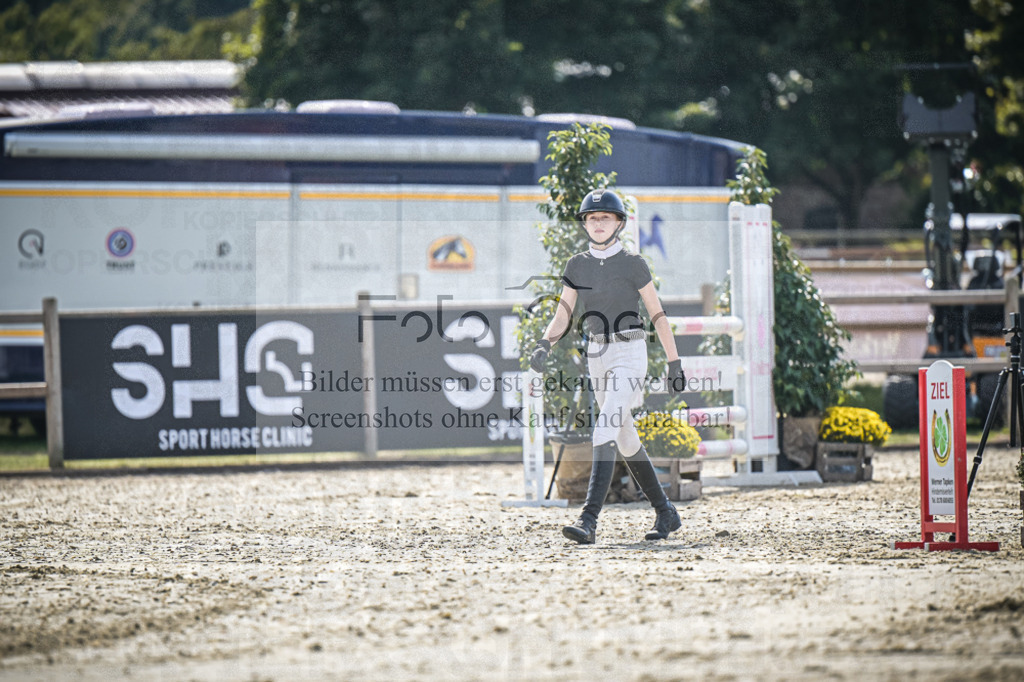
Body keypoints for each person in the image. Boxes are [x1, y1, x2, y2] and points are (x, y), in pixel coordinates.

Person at [529, 188, 687, 544]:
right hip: (597, 355)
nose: (598, 223)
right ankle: (665, 511)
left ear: (618, 223)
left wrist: (674, 362)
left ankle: (588, 520)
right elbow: (564, 312)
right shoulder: (577, 265)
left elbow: (657, 313)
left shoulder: (633, 263)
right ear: (585, 223)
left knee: (605, 427)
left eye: (605, 218)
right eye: (591, 218)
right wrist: (544, 343)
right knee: (626, 437)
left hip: (630, 354)